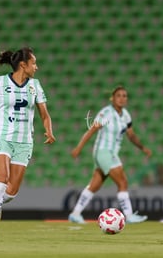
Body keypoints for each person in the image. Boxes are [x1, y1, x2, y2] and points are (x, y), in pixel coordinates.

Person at [0, 47, 56, 238]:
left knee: (11, 191)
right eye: (34, 63)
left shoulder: (35, 85)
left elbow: (44, 114)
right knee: (1, 178)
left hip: (24, 142)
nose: (37, 66)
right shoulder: (0, 82)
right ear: (23, 65)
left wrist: (49, 130)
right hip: (2, 137)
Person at [68, 86, 152, 224]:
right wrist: (79, 147)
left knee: (94, 185)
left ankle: (75, 214)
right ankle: (129, 215)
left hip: (109, 153)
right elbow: (92, 130)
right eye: (118, 95)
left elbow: (131, 135)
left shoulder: (125, 115)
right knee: (123, 182)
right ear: (112, 98)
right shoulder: (106, 113)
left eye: (124, 95)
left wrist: (143, 148)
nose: (122, 98)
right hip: (104, 152)